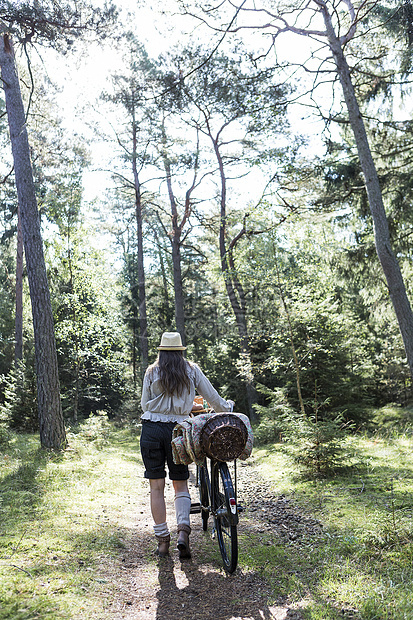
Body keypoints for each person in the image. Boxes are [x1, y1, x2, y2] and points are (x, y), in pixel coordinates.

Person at [140, 331, 234, 559]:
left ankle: (163, 542)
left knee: (156, 487)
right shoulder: (191, 370)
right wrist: (226, 408)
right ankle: (183, 533)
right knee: (180, 485)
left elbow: (145, 405)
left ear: (161, 352)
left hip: (151, 430)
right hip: (178, 432)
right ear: (181, 351)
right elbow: (212, 398)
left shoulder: (152, 371)